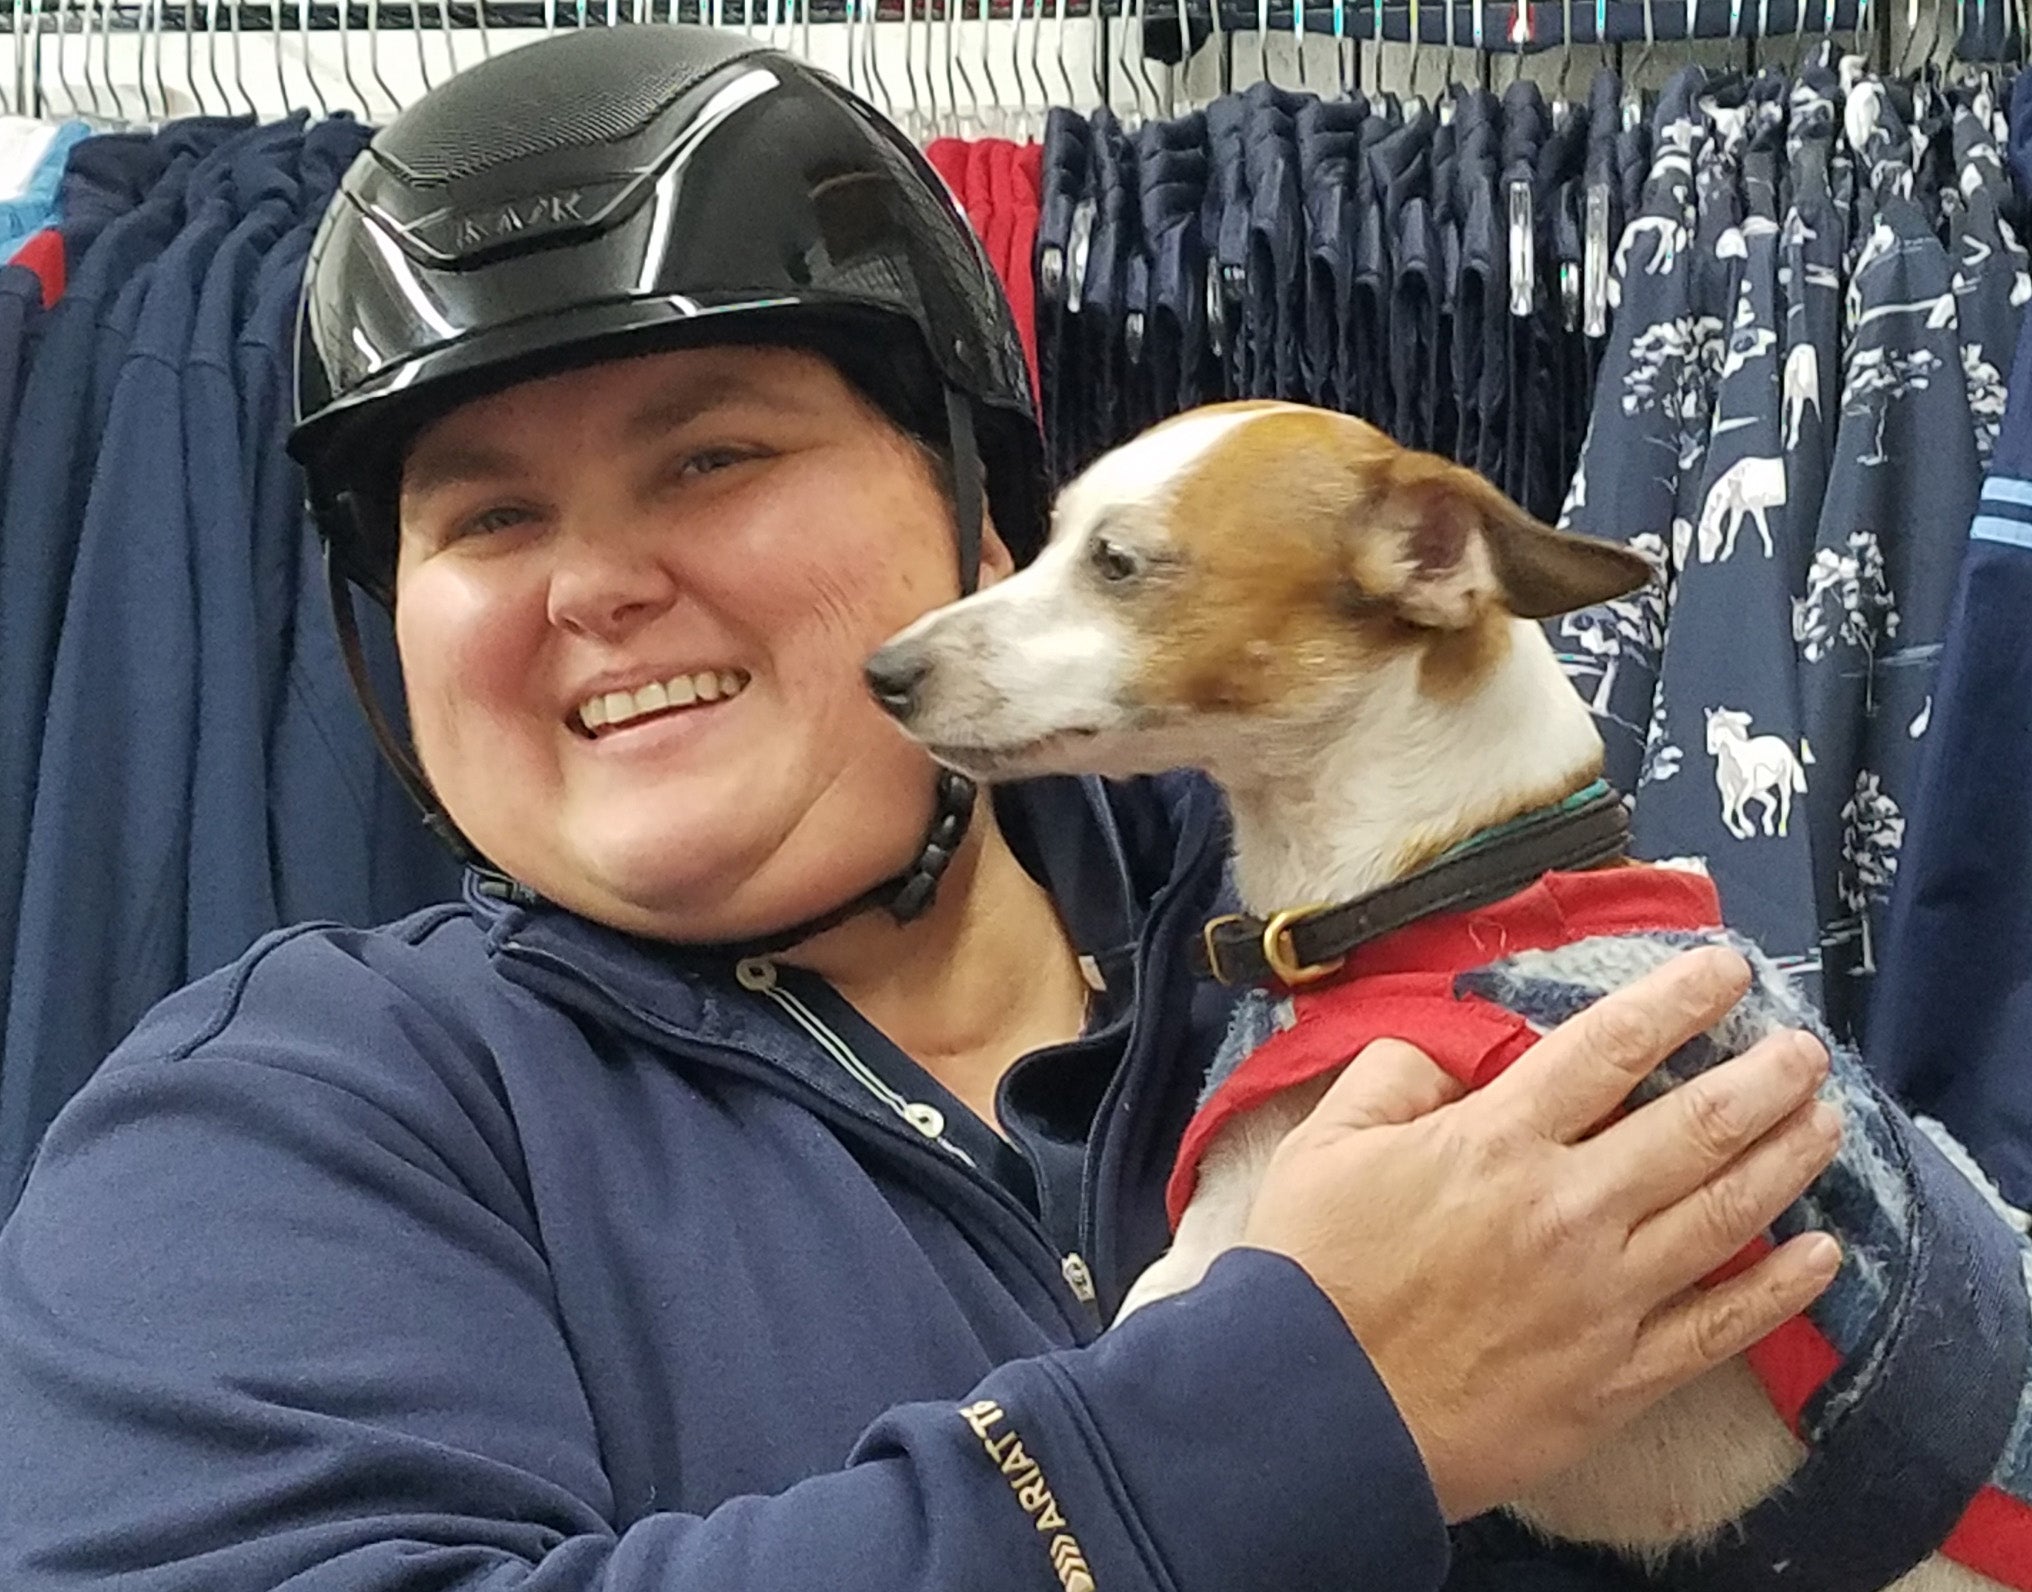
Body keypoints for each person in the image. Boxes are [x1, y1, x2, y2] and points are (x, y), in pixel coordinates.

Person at [0, 27, 1843, 1591]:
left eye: (710, 455)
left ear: (979, 523)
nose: (597, 585)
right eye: (486, 516)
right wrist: (1287, 1409)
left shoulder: (1426, 950)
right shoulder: (277, 1127)